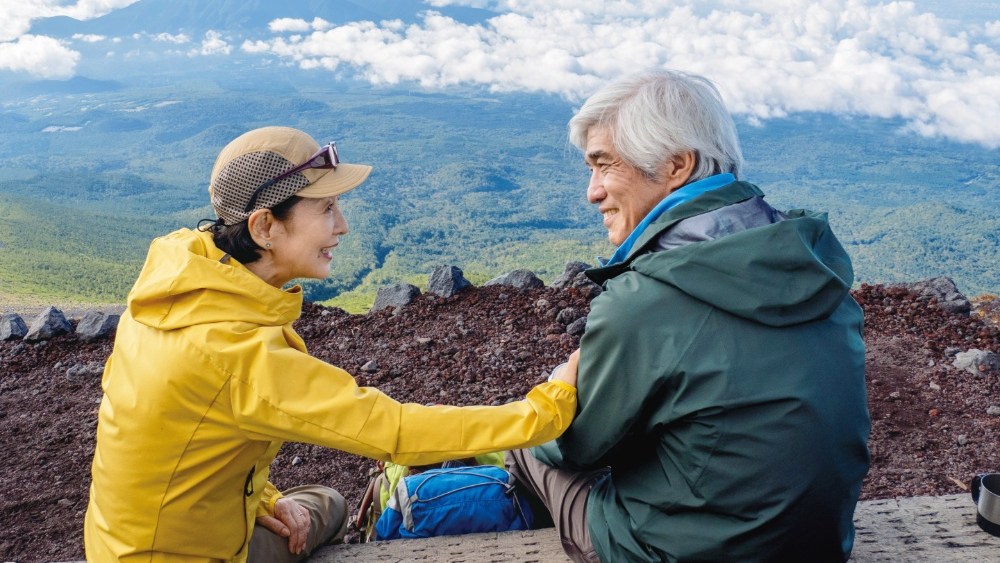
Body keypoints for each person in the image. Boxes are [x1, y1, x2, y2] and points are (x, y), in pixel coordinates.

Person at [83, 126, 580, 562]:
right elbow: (396, 432)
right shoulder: (231, 352)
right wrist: (546, 409)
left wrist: (263, 500)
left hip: (118, 544)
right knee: (329, 508)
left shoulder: (176, 287)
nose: (341, 225)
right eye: (326, 209)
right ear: (264, 227)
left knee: (328, 504)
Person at [505, 70, 871, 562]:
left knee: (526, 443)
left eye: (604, 165)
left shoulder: (644, 299)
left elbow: (574, 446)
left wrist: (558, 388)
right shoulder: (810, 262)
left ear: (677, 165)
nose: (592, 192)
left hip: (683, 554)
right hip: (821, 545)